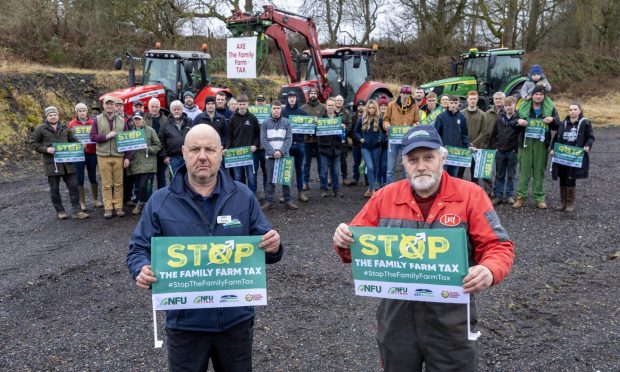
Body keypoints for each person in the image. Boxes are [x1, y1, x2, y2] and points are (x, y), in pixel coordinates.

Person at [332, 125, 514, 371]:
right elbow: (352, 244)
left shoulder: (471, 195)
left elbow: (498, 246)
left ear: (443, 158)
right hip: (396, 322)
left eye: (428, 157)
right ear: (404, 163)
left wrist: (489, 270)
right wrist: (342, 240)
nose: (421, 166)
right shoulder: (384, 197)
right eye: (412, 159)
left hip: (452, 322)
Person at [127, 124, 283, 372]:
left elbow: (265, 244)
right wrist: (141, 268)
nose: (202, 156)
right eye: (195, 149)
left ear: (221, 152)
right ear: (183, 152)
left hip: (236, 322)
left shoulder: (243, 195)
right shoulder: (159, 201)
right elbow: (137, 250)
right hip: (185, 326)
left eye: (209, 149)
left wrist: (274, 247)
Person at [31, 106, 89, 220]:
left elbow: (73, 140)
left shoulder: (65, 127)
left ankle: (76, 211)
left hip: (68, 163)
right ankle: (60, 211)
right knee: (54, 189)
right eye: (50, 115)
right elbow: (34, 143)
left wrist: (80, 145)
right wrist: (46, 149)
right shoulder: (40, 129)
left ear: (58, 115)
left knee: (74, 186)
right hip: (52, 164)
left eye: (55, 114)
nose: (53, 116)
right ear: (47, 116)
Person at [513, 85, 560, 209]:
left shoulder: (550, 108)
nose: (538, 97)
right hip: (525, 143)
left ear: (544, 96)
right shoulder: (523, 107)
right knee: (524, 171)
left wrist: (552, 120)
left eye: (541, 94)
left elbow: (557, 125)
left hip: (541, 143)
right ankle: (521, 197)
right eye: (536, 94)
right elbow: (513, 122)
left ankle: (539, 198)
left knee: (539, 171)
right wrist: (519, 122)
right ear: (532, 95)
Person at [90, 95, 131, 218]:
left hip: (118, 155)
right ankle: (108, 207)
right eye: (107, 104)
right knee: (106, 184)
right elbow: (92, 137)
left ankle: (118, 207)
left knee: (118, 183)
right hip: (103, 155)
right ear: (103, 105)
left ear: (115, 106)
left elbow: (127, 139)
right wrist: (107, 136)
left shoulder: (122, 121)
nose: (109, 106)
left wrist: (127, 157)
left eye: (112, 104)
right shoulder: (97, 119)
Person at [550, 103, 594, 213]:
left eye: (575, 109)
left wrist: (588, 146)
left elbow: (590, 137)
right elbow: (556, 138)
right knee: (562, 177)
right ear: (568, 111)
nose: (573, 111)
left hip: (574, 156)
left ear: (580, 110)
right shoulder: (563, 123)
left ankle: (570, 203)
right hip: (562, 155)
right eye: (571, 109)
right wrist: (552, 148)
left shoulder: (585, 123)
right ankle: (562, 202)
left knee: (571, 178)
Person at [260, 100, 297, 211]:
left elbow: (289, 139)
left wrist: (280, 151)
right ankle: (269, 202)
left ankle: (288, 201)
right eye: (274, 108)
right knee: (269, 180)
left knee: (286, 180)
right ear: (271, 109)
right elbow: (263, 140)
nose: (276, 110)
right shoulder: (265, 123)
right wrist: (273, 152)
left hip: (284, 155)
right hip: (270, 156)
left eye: (278, 108)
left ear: (281, 109)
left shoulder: (287, 122)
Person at [383, 85, 421, 183]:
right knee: (390, 168)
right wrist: (386, 125)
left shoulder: (414, 106)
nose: (405, 95)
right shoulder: (392, 105)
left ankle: (406, 190)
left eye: (407, 93)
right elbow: (386, 119)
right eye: (403, 93)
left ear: (410, 95)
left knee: (407, 166)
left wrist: (416, 124)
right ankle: (389, 190)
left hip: (407, 140)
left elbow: (417, 121)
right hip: (393, 139)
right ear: (400, 94)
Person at [124, 113, 161, 215]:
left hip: (148, 164)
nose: (137, 121)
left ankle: (140, 204)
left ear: (143, 120)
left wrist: (148, 148)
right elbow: (127, 148)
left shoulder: (150, 130)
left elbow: (158, 145)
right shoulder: (130, 133)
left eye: (139, 119)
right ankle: (146, 204)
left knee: (143, 186)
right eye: (135, 119)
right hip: (136, 164)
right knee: (139, 186)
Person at [68, 102, 102, 210]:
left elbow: (97, 135)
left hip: (91, 152)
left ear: (87, 111)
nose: (82, 113)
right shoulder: (72, 124)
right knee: (80, 177)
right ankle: (82, 202)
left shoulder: (93, 122)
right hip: (78, 154)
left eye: (83, 110)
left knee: (93, 176)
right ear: (77, 112)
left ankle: (95, 199)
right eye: (80, 111)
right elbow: (69, 139)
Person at [490, 96, 522, 205]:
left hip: (512, 151)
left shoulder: (519, 119)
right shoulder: (500, 118)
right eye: (507, 105)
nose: (508, 107)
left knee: (511, 175)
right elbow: (494, 134)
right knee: (499, 174)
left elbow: (521, 135)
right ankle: (498, 195)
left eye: (511, 105)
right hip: (500, 151)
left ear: (515, 105)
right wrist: (496, 146)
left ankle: (509, 195)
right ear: (504, 106)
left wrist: (516, 149)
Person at [226, 94, 260, 194]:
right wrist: (228, 148)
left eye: (244, 104)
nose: (242, 106)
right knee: (237, 176)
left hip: (249, 153)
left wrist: (255, 145)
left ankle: (252, 196)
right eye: (240, 104)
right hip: (236, 153)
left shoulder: (252, 118)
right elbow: (229, 135)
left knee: (251, 176)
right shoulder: (232, 118)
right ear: (237, 104)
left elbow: (257, 134)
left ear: (247, 104)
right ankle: (239, 196)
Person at [459, 91, 491, 194]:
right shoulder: (461, 114)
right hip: (464, 148)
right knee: (460, 173)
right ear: (467, 99)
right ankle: (460, 193)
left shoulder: (482, 114)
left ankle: (475, 194)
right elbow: (458, 130)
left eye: (474, 99)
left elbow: (484, 131)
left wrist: (474, 144)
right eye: (471, 99)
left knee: (475, 174)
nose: (472, 101)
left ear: (477, 100)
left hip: (476, 149)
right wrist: (466, 144)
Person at [353, 99, 386, 197]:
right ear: (367, 108)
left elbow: (385, 132)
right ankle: (372, 190)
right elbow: (356, 132)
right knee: (370, 167)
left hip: (376, 147)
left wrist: (381, 139)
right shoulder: (362, 119)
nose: (371, 110)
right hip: (365, 147)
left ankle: (369, 188)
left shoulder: (379, 119)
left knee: (374, 168)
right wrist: (360, 139)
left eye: (373, 108)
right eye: (370, 108)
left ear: (376, 109)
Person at [282, 91, 309, 202]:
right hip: (286, 145)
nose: (292, 99)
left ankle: (300, 192)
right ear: (287, 99)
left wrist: (314, 123)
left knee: (299, 169)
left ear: (296, 99)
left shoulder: (302, 112)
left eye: (293, 97)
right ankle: (285, 195)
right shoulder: (283, 112)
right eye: (290, 97)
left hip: (299, 144)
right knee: (286, 170)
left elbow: (309, 126)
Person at [434, 95, 469, 177]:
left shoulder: (461, 117)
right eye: (451, 103)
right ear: (448, 103)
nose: (453, 105)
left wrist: (468, 145)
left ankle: (450, 190)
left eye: (455, 103)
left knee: (453, 177)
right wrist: (439, 148)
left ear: (458, 104)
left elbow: (464, 134)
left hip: (455, 153)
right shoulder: (441, 117)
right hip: (444, 153)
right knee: (442, 176)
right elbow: (436, 134)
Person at [318, 98, 345, 198]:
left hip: (336, 149)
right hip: (324, 148)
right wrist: (316, 125)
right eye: (328, 105)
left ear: (335, 106)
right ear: (326, 106)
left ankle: (336, 189)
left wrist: (343, 128)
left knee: (336, 171)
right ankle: (324, 189)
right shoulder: (321, 118)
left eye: (332, 105)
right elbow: (317, 133)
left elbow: (343, 135)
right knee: (324, 171)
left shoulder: (339, 119)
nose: (330, 107)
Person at [301, 87, 326, 190]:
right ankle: (305, 182)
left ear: (317, 94)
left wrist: (319, 122)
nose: (313, 95)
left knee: (321, 162)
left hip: (319, 140)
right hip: (307, 140)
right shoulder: (303, 108)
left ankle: (322, 183)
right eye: (311, 93)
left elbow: (326, 121)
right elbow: (300, 123)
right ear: (308, 94)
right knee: (306, 162)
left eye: (315, 93)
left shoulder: (322, 107)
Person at [159, 100, 193, 174]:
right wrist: (164, 156)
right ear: (171, 111)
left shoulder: (189, 122)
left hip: (188, 157)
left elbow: (195, 137)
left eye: (178, 109)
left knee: (189, 179)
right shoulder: (165, 124)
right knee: (175, 180)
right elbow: (161, 141)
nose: (176, 111)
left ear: (182, 110)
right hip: (173, 158)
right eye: (174, 109)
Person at [144, 98, 168, 189]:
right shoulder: (144, 118)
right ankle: (149, 199)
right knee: (149, 177)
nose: (154, 109)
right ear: (149, 107)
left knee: (161, 176)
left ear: (159, 107)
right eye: (152, 107)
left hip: (161, 152)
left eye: (156, 107)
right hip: (149, 152)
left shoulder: (165, 119)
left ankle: (161, 197)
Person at [334, 95, 354, 186]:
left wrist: (345, 128)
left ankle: (344, 178)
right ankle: (332, 178)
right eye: (337, 100)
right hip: (332, 140)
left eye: (340, 100)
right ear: (334, 101)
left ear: (343, 102)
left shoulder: (346, 112)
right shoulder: (330, 111)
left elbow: (350, 124)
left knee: (343, 160)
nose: (339, 102)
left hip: (343, 140)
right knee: (332, 160)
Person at [349, 100, 365, 186]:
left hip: (366, 144)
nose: (361, 107)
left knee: (366, 162)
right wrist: (357, 139)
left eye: (362, 106)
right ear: (357, 107)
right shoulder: (353, 118)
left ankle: (367, 179)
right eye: (359, 106)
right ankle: (355, 178)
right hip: (356, 144)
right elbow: (351, 132)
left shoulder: (368, 117)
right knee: (356, 162)